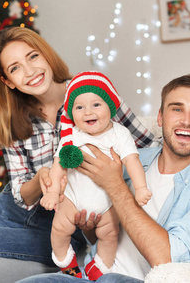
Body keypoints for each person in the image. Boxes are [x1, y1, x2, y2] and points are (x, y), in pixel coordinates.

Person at [0, 27, 190, 281]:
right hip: (17, 210)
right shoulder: (13, 119)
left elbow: (149, 144)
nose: (30, 71)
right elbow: (22, 194)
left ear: (46, 55)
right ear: (7, 81)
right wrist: (44, 177)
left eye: (32, 57)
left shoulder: (93, 93)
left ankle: (68, 265)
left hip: (65, 215)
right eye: (15, 68)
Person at [16, 74, 190, 282]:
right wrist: (88, 225)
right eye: (177, 109)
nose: (187, 120)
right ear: (160, 117)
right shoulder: (127, 158)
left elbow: (167, 258)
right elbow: (99, 232)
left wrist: (115, 185)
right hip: (89, 272)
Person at [40, 71, 152, 280]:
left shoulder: (119, 134)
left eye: (96, 105)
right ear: (71, 113)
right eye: (79, 107)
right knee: (58, 229)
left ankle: (99, 267)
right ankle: (67, 263)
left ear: (110, 107)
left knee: (110, 235)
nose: (87, 112)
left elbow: (132, 160)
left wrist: (141, 188)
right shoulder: (72, 135)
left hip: (108, 201)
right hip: (73, 199)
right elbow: (59, 164)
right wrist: (53, 191)